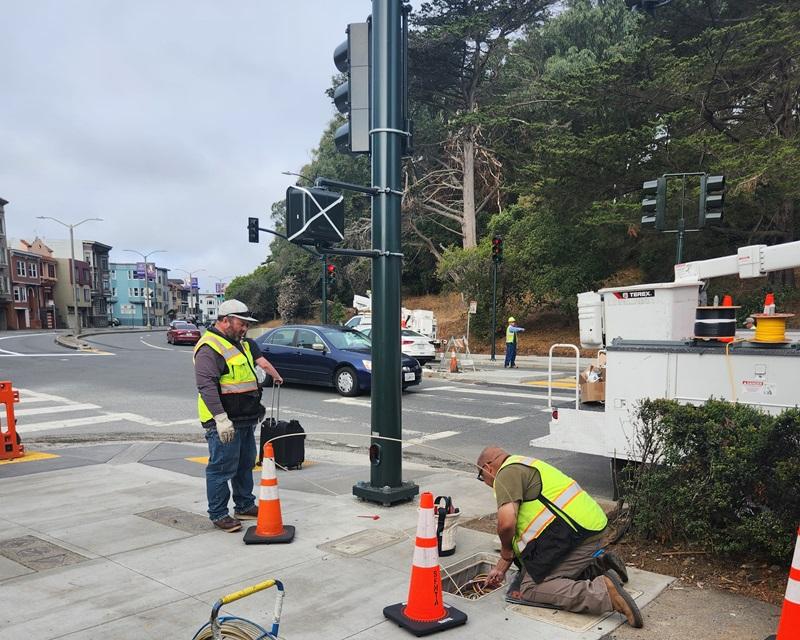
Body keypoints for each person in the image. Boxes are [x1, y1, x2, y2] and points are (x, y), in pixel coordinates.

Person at [476, 446, 643, 628]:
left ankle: (606, 593)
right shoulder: (523, 463)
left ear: (488, 467)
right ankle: (596, 566)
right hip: (588, 529)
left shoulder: (505, 474)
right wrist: (501, 568)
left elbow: (507, 523)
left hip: (575, 537)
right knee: (532, 569)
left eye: (481, 476)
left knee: (531, 588)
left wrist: (506, 551)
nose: (485, 483)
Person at [193, 299, 283, 532]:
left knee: (244, 465)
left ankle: (244, 504)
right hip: (223, 422)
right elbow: (207, 386)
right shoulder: (209, 347)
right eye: (241, 323)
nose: (245, 328)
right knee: (222, 468)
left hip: (244, 418)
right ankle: (219, 514)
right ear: (225, 321)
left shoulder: (239, 343)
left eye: (246, 324)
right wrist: (221, 420)